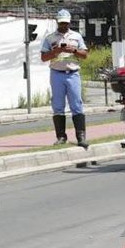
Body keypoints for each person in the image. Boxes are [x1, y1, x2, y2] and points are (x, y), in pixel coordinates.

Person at [40, 9, 89, 148]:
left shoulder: (76, 36)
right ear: (57, 22)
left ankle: (81, 136)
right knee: (58, 106)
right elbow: (43, 57)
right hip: (57, 73)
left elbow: (85, 55)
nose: (63, 26)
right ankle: (61, 136)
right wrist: (56, 51)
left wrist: (73, 50)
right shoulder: (50, 38)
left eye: (66, 23)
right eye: (61, 23)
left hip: (72, 73)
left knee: (76, 105)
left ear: (69, 22)